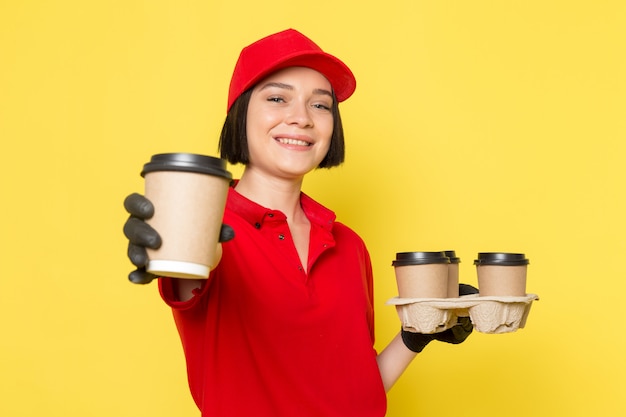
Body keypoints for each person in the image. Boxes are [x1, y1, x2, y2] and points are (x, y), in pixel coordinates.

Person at [123, 28, 476, 416]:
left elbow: (356, 392)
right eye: (278, 98)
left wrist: (414, 336)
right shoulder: (211, 232)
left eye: (320, 105)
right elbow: (192, 266)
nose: (302, 118)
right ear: (240, 114)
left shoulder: (349, 245)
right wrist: (172, 238)